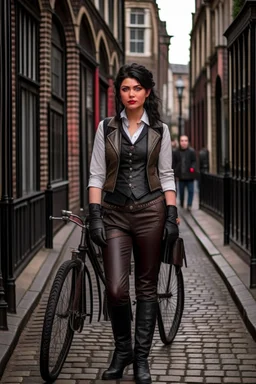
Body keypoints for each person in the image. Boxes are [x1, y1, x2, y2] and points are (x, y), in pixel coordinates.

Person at [87, 63, 179, 384]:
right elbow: (97, 173)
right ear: (119, 93)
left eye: (137, 88)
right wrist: (95, 213)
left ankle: (141, 359)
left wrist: (171, 215)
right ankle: (122, 350)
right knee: (115, 288)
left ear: (147, 92)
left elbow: (166, 174)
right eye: (125, 89)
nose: (131, 94)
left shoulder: (161, 131)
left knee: (146, 287)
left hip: (151, 211)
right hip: (113, 213)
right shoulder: (106, 128)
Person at [172, 135, 197, 211]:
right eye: (182, 141)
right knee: (181, 192)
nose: (184, 142)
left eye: (185, 141)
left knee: (191, 191)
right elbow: (174, 163)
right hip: (181, 176)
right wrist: (175, 172)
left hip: (190, 175)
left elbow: (194, 161)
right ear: (180, 142)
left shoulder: (192, 151)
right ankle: (182, 203)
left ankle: (189, 205)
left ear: (188, 142)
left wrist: (192, 168)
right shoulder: (176, 152)